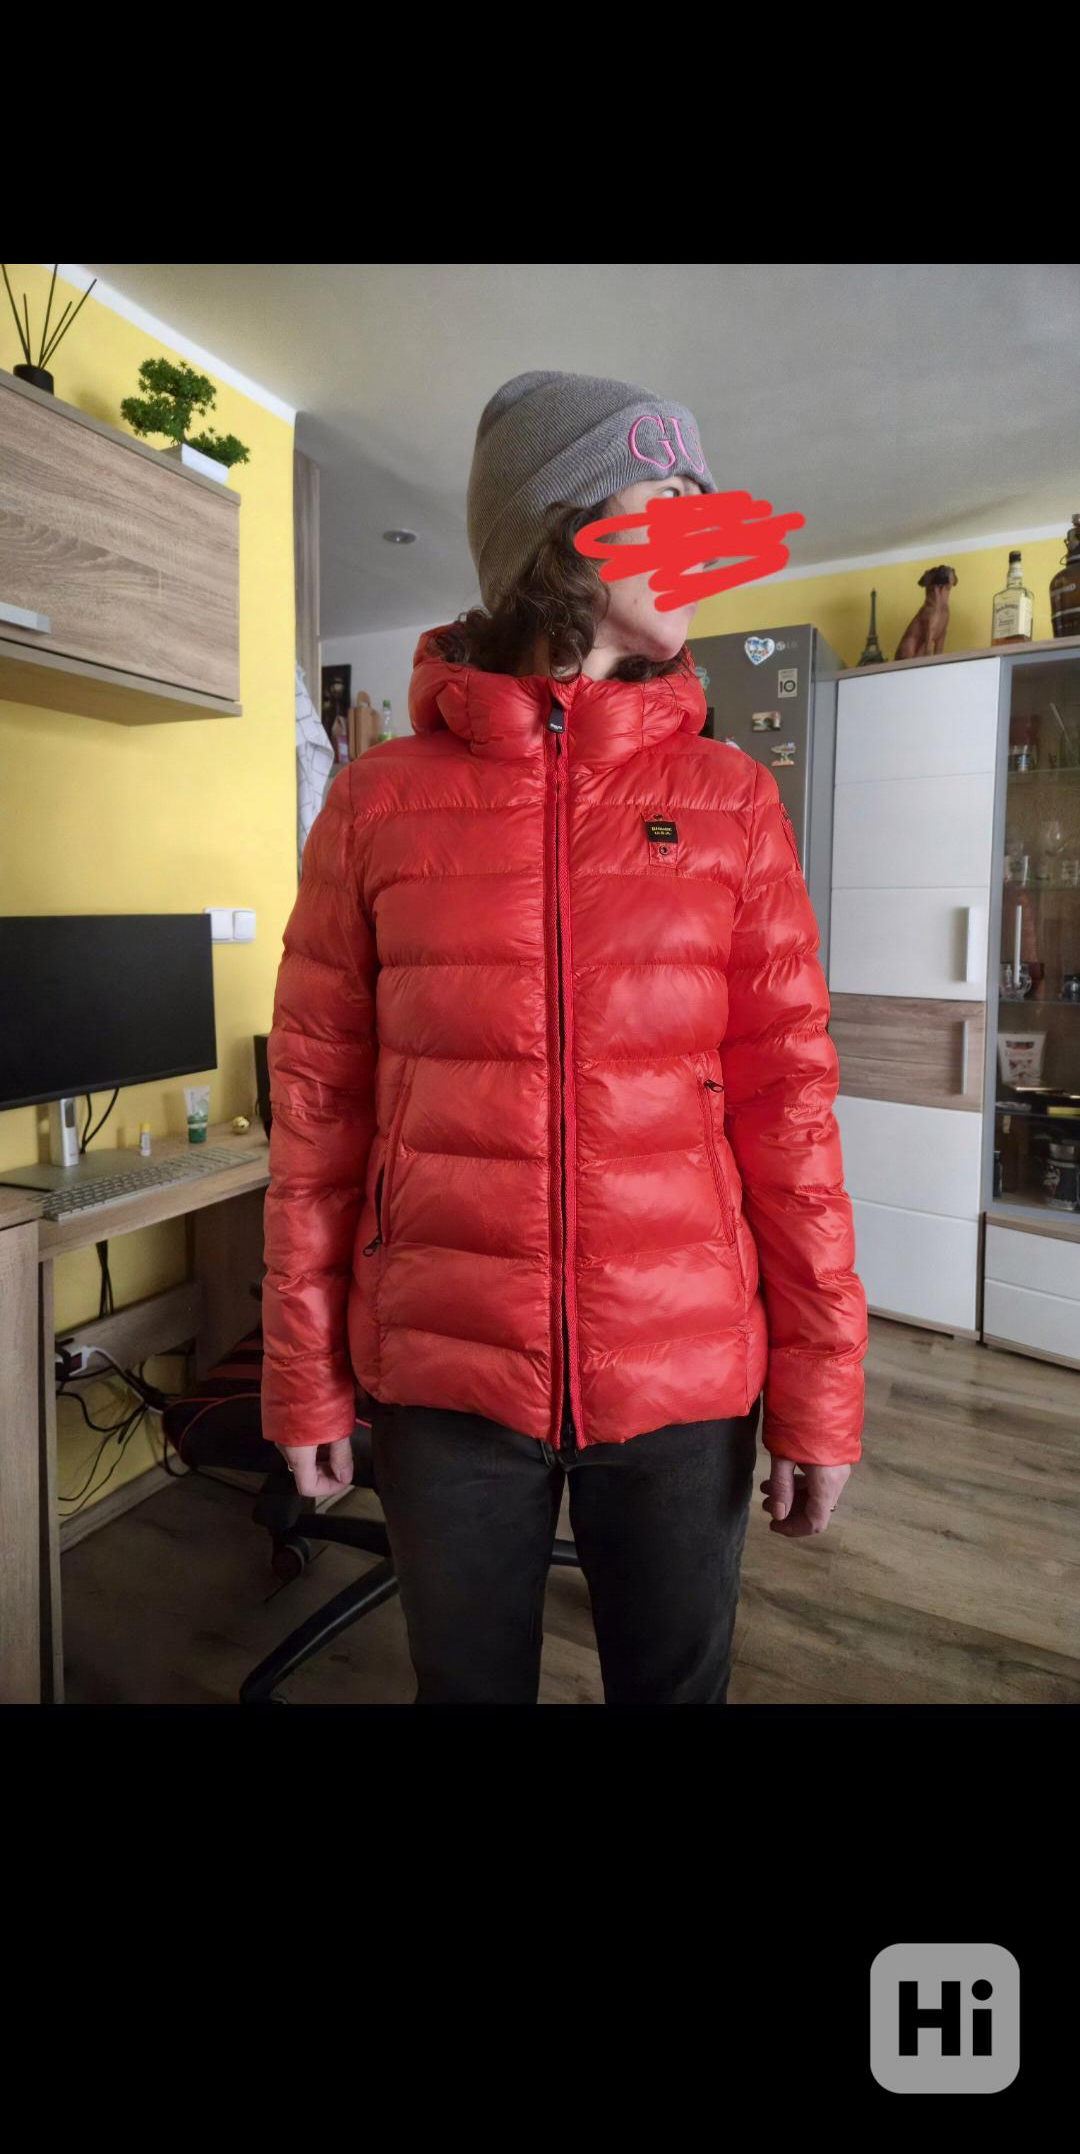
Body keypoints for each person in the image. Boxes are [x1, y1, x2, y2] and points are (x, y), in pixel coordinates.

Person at [261, 369, 868, 1705]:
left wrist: (822, 1384)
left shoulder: (731, 799)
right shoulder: (376, 804)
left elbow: (791, 1112)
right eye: (674, 497)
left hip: (685, 1382)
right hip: (444, 1379)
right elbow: (317, 1109)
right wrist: (304, 1373)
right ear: (561, 530)